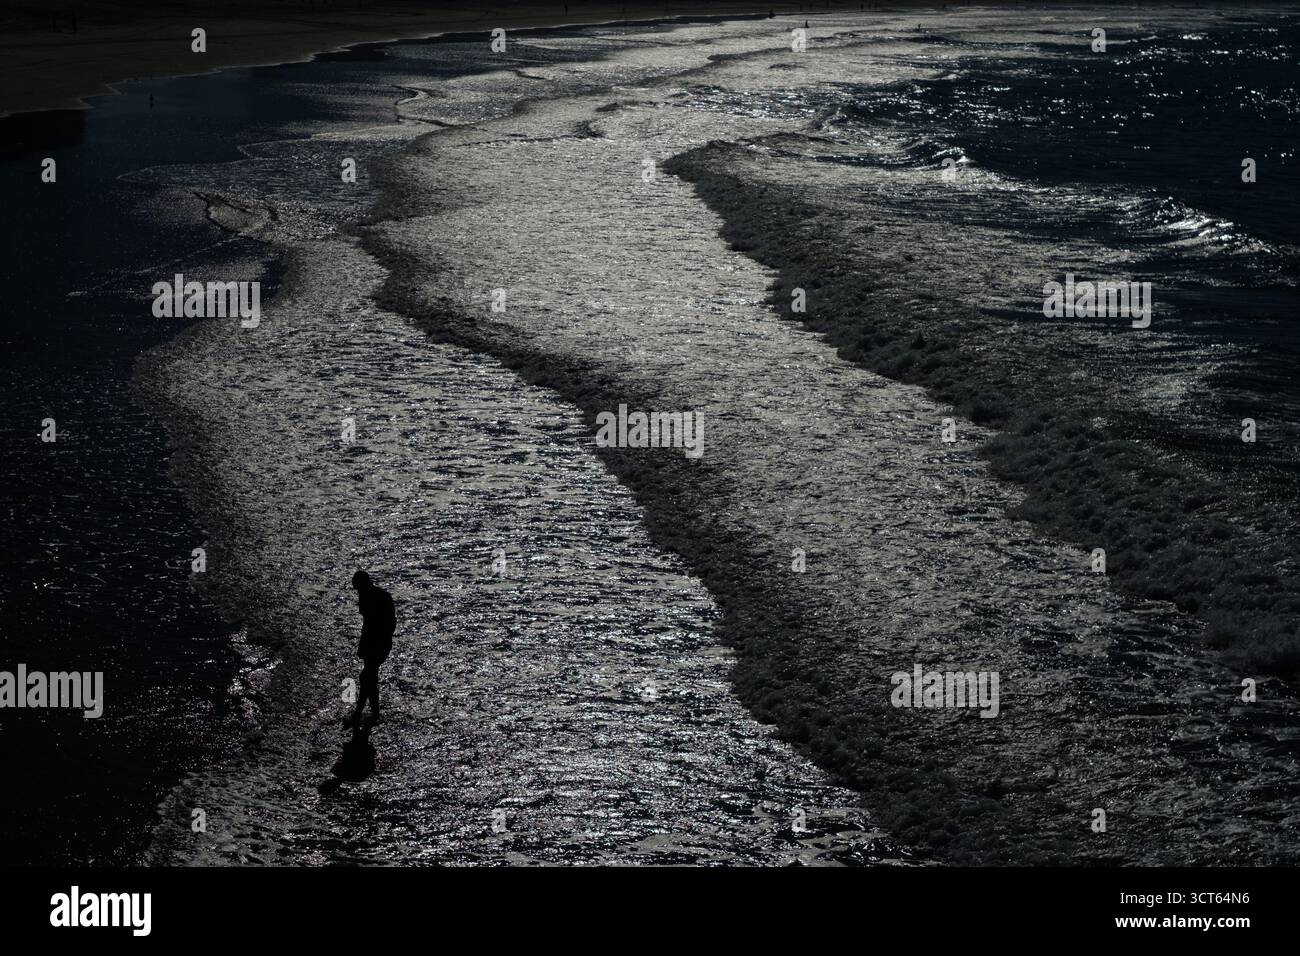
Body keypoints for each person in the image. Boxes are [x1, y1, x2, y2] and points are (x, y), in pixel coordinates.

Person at [347, 570, 395, 726]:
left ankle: (358, 714)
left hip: (376, 644)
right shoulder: (382, 595)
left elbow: (368, 626)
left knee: (366, 677)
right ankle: (374, 712)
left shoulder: (367, 596)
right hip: (382, 643)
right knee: (370, 677)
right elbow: (390, 624)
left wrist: (364, 646)